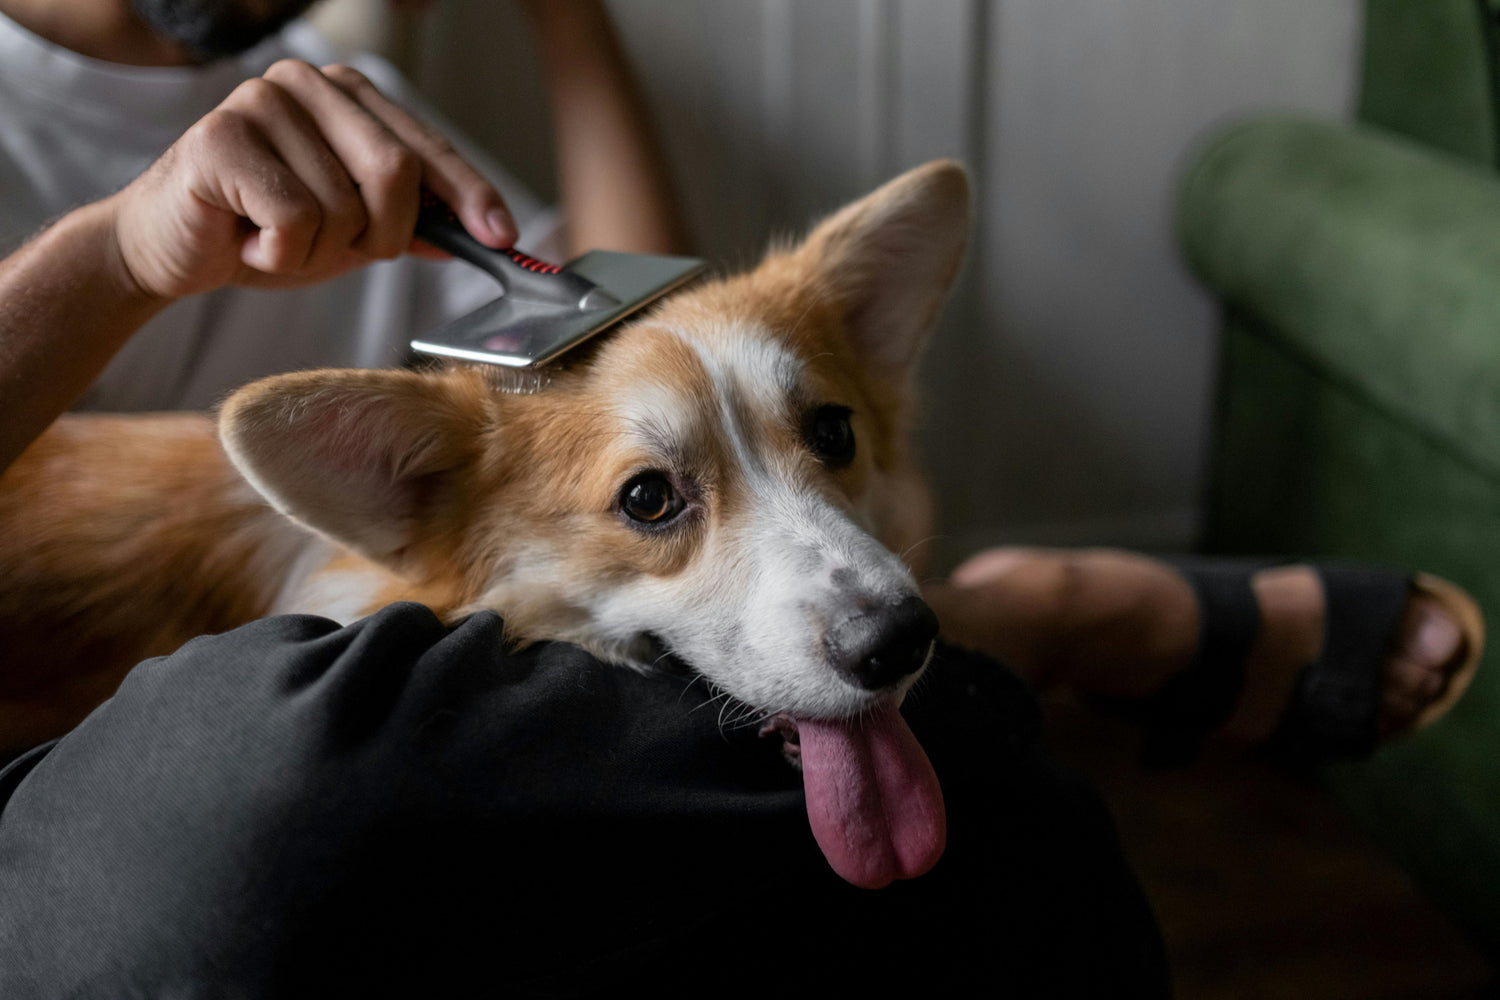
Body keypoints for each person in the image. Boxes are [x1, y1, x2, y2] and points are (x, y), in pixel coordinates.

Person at [0, 0, 1479, 994]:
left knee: (984, 813)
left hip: (472, 582)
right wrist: (117, 258)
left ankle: (1001, 634)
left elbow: (647, 325)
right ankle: (1019, 628)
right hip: (208, 730)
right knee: (284, 787)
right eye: (658, 499)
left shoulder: (353, 105)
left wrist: (571, 22)